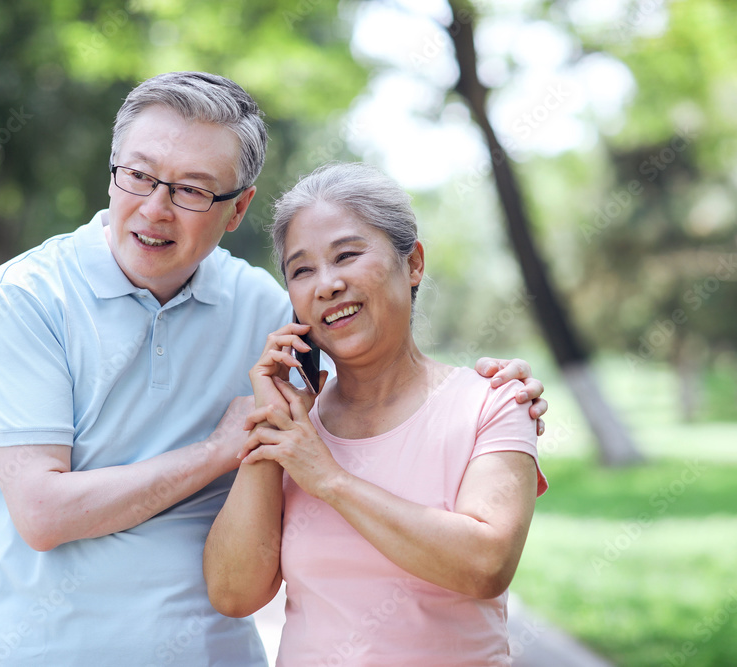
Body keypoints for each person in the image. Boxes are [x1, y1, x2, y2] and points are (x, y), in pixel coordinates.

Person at [0, 73, 547, 666]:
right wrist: (222, 450)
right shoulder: (29, 296)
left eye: (192, 190)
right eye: (138, 176)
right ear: (112, 170)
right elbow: (41, 512)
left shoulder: (265, 309)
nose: (156, 208)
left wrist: (494, 394)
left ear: (237, 207)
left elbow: (380, 371)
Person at [203, 162, 549, 667]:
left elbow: (486, 565)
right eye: (302, 270)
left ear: (413, 265)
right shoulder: (296, 426)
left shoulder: (494, 401)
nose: (327, 285)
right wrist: (273, 425)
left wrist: (330, 480)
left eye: (347, 255)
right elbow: (234, 594)